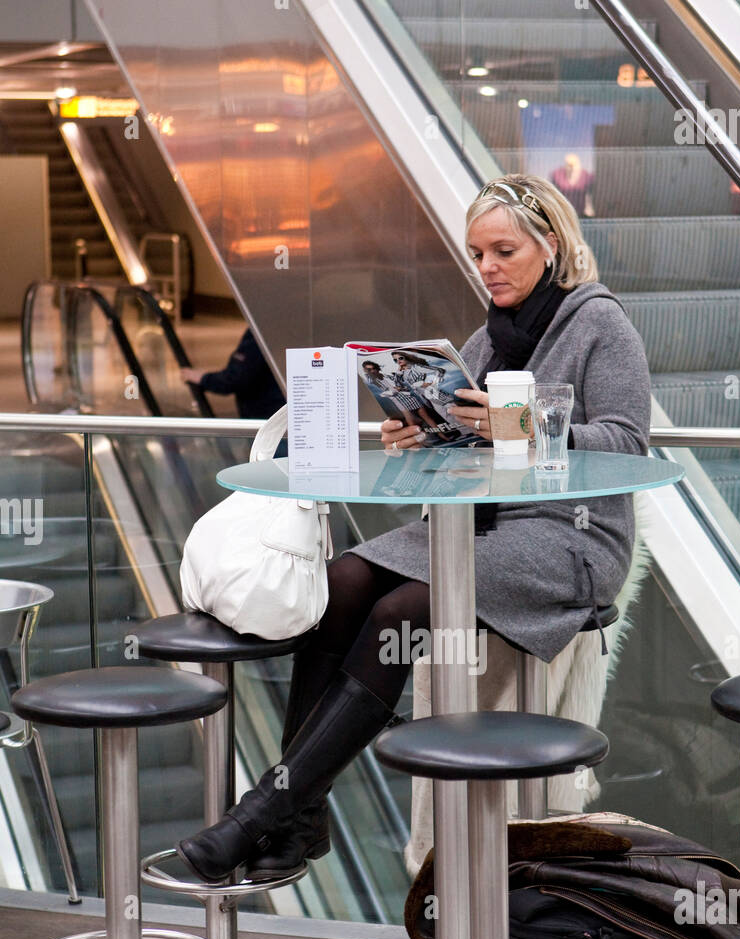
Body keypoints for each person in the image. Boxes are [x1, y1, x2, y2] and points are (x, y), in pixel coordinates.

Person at [175, 173, 651, 885]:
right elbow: (475, 448)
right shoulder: (488, 340)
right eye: (478, 254)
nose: (488, 268)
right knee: (337, 587)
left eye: (504, 251)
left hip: (565, 539)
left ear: (550, 245)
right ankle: (303, 819)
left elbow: (626, 441)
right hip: (476, 528)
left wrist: (517, 423)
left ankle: (264, 811)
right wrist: (420, 435)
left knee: (398, 610)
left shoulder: (600, 324)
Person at [181, 327, 284, 419]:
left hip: (266, 419)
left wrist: (204, 378)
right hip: (279, 417)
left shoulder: (262, 328)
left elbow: (237, 377)